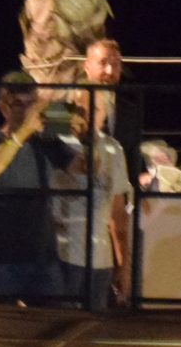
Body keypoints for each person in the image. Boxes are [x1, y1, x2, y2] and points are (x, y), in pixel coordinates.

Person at [0, 72, 79, 301]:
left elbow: (85, 168)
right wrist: (23, 132)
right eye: (18, 104)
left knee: (54, 320)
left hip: (43, 257)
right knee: (3, 322)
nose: (26, 111)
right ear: (3, 107)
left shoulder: (47, 141)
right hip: (0, 258)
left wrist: (87, 134)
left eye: (31, 104)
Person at [54, 103, 132, 307]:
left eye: (95, 109)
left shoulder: (113, 149)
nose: (87, 115)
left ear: (105, 113)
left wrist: (124, 266)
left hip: (101, 262)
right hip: (63, 257)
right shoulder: (57, 144)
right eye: (82, 109)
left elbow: (118, 214)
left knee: (95, 323)